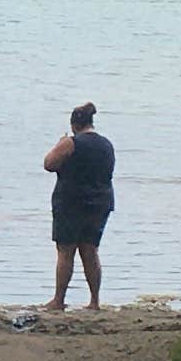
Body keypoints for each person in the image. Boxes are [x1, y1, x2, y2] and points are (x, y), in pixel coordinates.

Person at [42, 102, 115, 310]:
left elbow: (49, 164)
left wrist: (60, 143)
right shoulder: (106, 144)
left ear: (74, 124)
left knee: (66, 251)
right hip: (100, 202)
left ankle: (58, 300)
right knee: (90, 251)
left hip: (72, 202)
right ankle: (94, 301)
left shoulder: (72, 143)